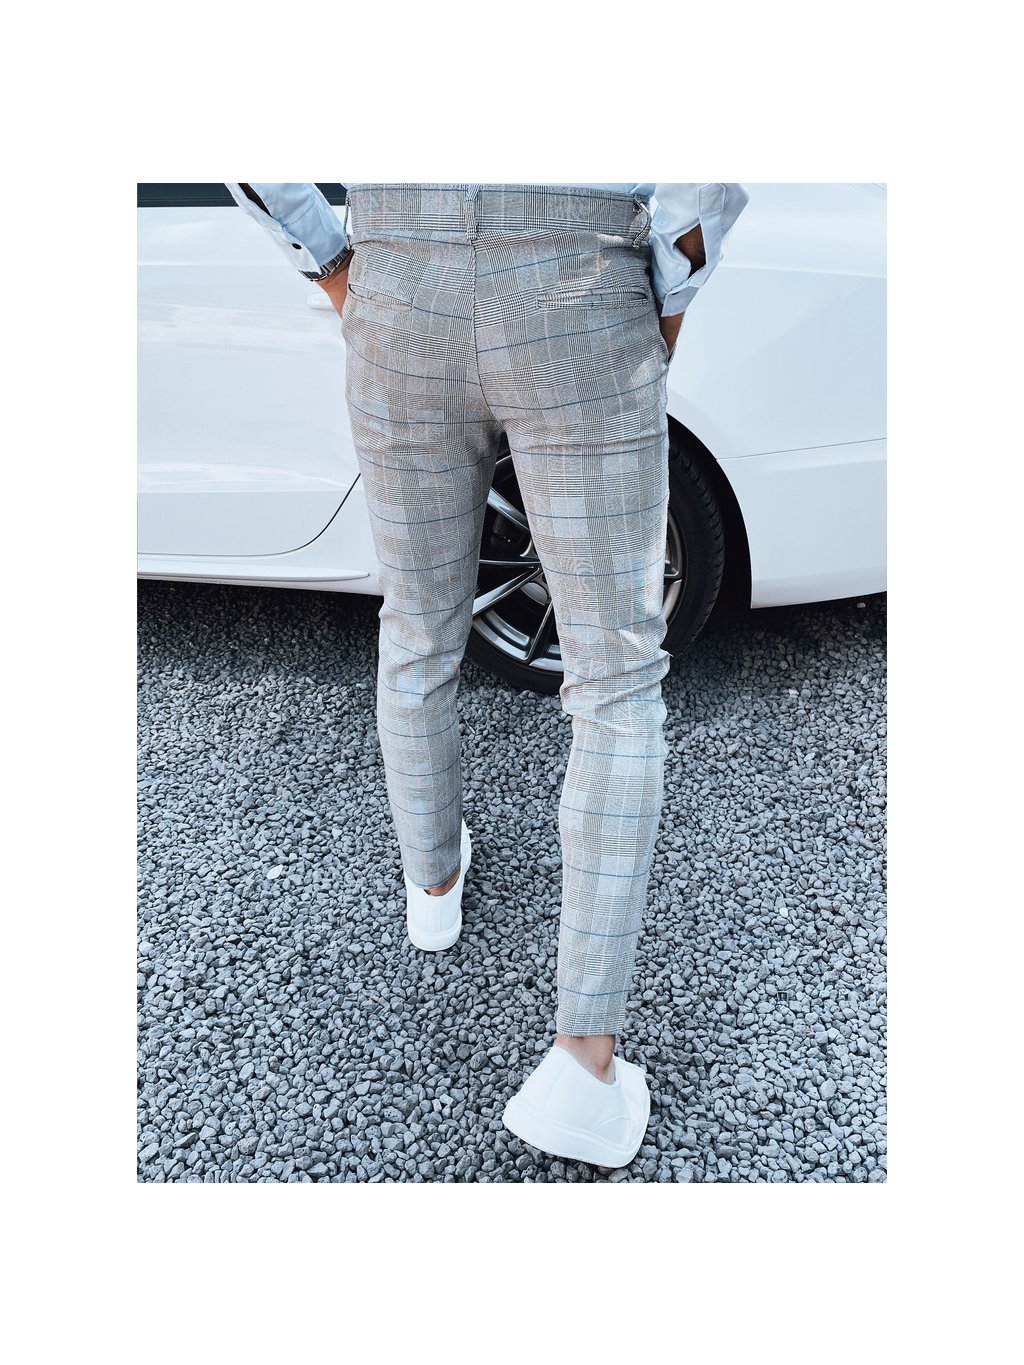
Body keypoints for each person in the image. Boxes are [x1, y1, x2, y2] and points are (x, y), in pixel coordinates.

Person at [226, 182, 750, 1170]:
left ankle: (433, 885)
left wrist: (330, 257)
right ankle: (583, 1066)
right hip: (577, 281)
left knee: (418, 624)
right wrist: (667, 290)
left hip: (399, 282)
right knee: (614, 677)